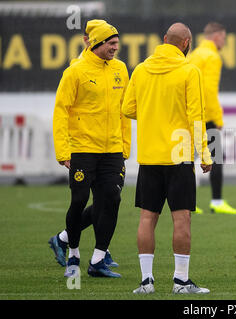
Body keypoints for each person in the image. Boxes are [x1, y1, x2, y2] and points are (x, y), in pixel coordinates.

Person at [122, 22, 213, 294]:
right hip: (179, 156)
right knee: (181, 219)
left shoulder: (140, 69)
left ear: (164, 40)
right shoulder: (189, 70)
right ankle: (181, 281)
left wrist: (153, 114)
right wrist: (206, 153)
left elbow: (127, 108)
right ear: (186, 43)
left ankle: (146, 281)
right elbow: (196, 116)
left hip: (149, 156)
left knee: (147, 218)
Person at [52, 20, 131, 278]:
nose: (115, 47)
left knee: (111, 199)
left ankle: (98, 259)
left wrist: (125, 146)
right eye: (111, 43)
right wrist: (64, 152)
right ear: (96, 43)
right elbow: (61, 112)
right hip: (83, 149)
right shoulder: (75, 72)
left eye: (116, 42)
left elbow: (124, 112)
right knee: (79, 201)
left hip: (112, 151)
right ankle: (72, 252)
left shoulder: (120, 69)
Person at [188, 22, 236, 215]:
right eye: (224, 38)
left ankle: (188, 203)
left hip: (189, 113)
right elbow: (209, 90)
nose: (224, 42)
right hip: (205, 115)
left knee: (187, 158)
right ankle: (217, 201)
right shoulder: (212, 57)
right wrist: (217, 118)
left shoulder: (194, 55)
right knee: (216, 157)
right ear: (216, 36)